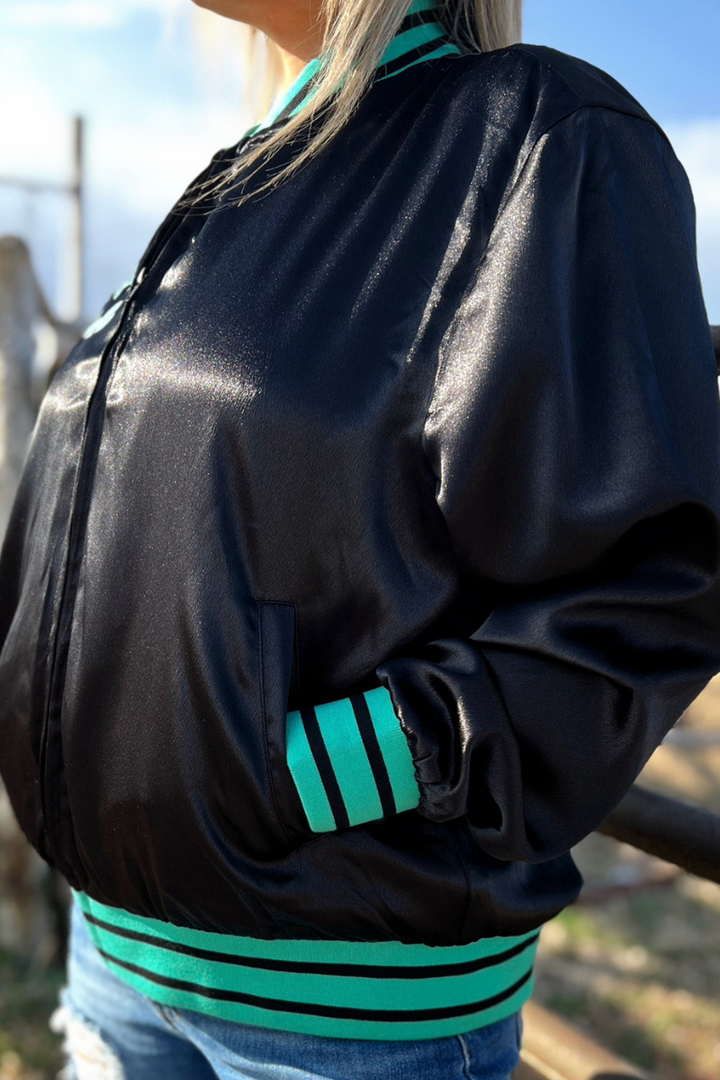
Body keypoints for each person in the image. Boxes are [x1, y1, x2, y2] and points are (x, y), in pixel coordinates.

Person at [1, 0, 720, 1076]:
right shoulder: (238, 179)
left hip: (340, 1004)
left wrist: (289, 776)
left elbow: (639, 585)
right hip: (115, 949)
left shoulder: (536, 135)